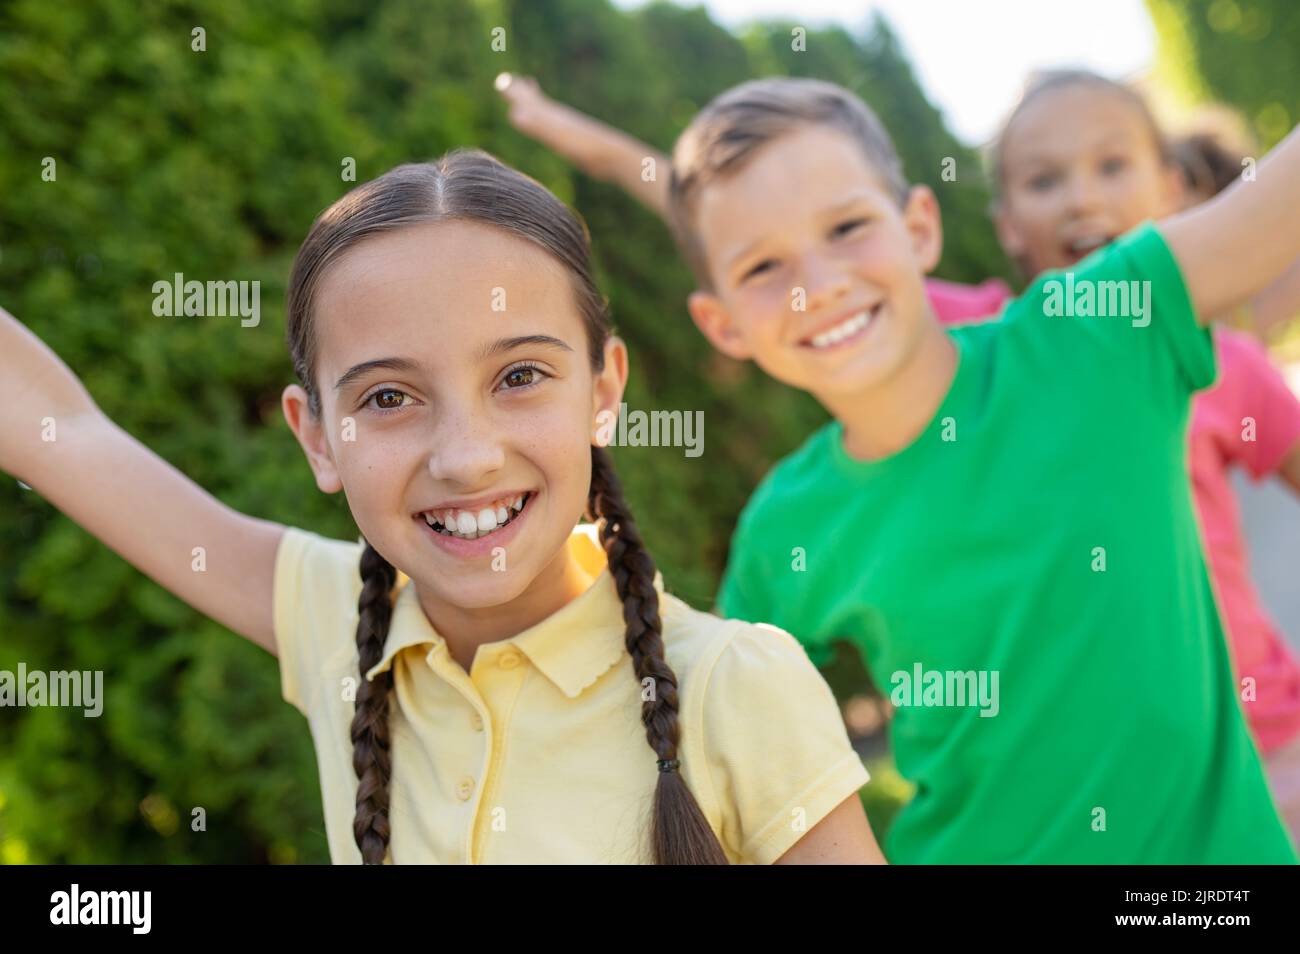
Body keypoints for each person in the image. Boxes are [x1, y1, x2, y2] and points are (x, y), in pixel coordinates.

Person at [1, 149, 884, 865]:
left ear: (603, 389)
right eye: (389, 397)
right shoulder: (336, 618)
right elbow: (60, 434)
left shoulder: (736, 687)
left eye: (520, 376)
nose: (466, 457)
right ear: (316, 438)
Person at [670, 76, 1300, 863]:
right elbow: (735, 763)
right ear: (722, 323)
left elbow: (1277, 202)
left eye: (847, 226)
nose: (818, 286)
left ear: (920, 228)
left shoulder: (1099, 331)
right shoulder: (782, 529)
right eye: (764, 266)